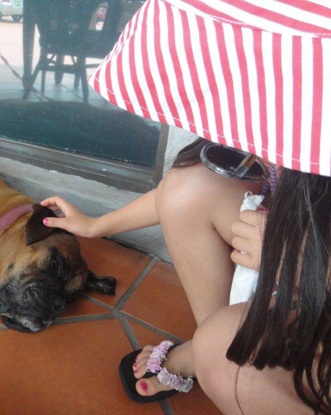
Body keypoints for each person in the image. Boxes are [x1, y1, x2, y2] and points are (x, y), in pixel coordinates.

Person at [41, 138, 331, 415]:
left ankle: (219, 354)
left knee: (223, 346)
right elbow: (178, 193)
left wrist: (299, 266)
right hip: (293, 264)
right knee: (191, 184)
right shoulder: (279, 135)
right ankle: (215, 347)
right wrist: (96, 226)